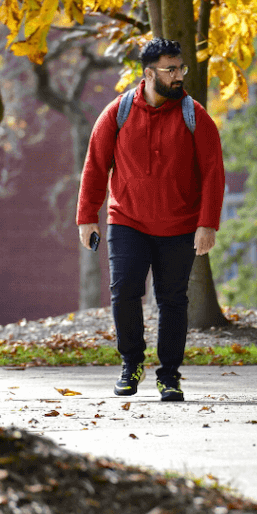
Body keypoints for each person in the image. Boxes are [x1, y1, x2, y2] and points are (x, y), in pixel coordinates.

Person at [76, 38, 225, 402]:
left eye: (181, 68)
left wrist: (207, 223)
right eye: (170, 70)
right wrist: (86, 217)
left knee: (172, 299)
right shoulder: (118, 112)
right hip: (128, 220)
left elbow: (213, 172)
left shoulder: (195, 115)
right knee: (124, 291)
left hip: (180, 225)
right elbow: (96, 165)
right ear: (148, 73)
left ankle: (169, 375)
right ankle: (131, 364)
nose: (178, 76)